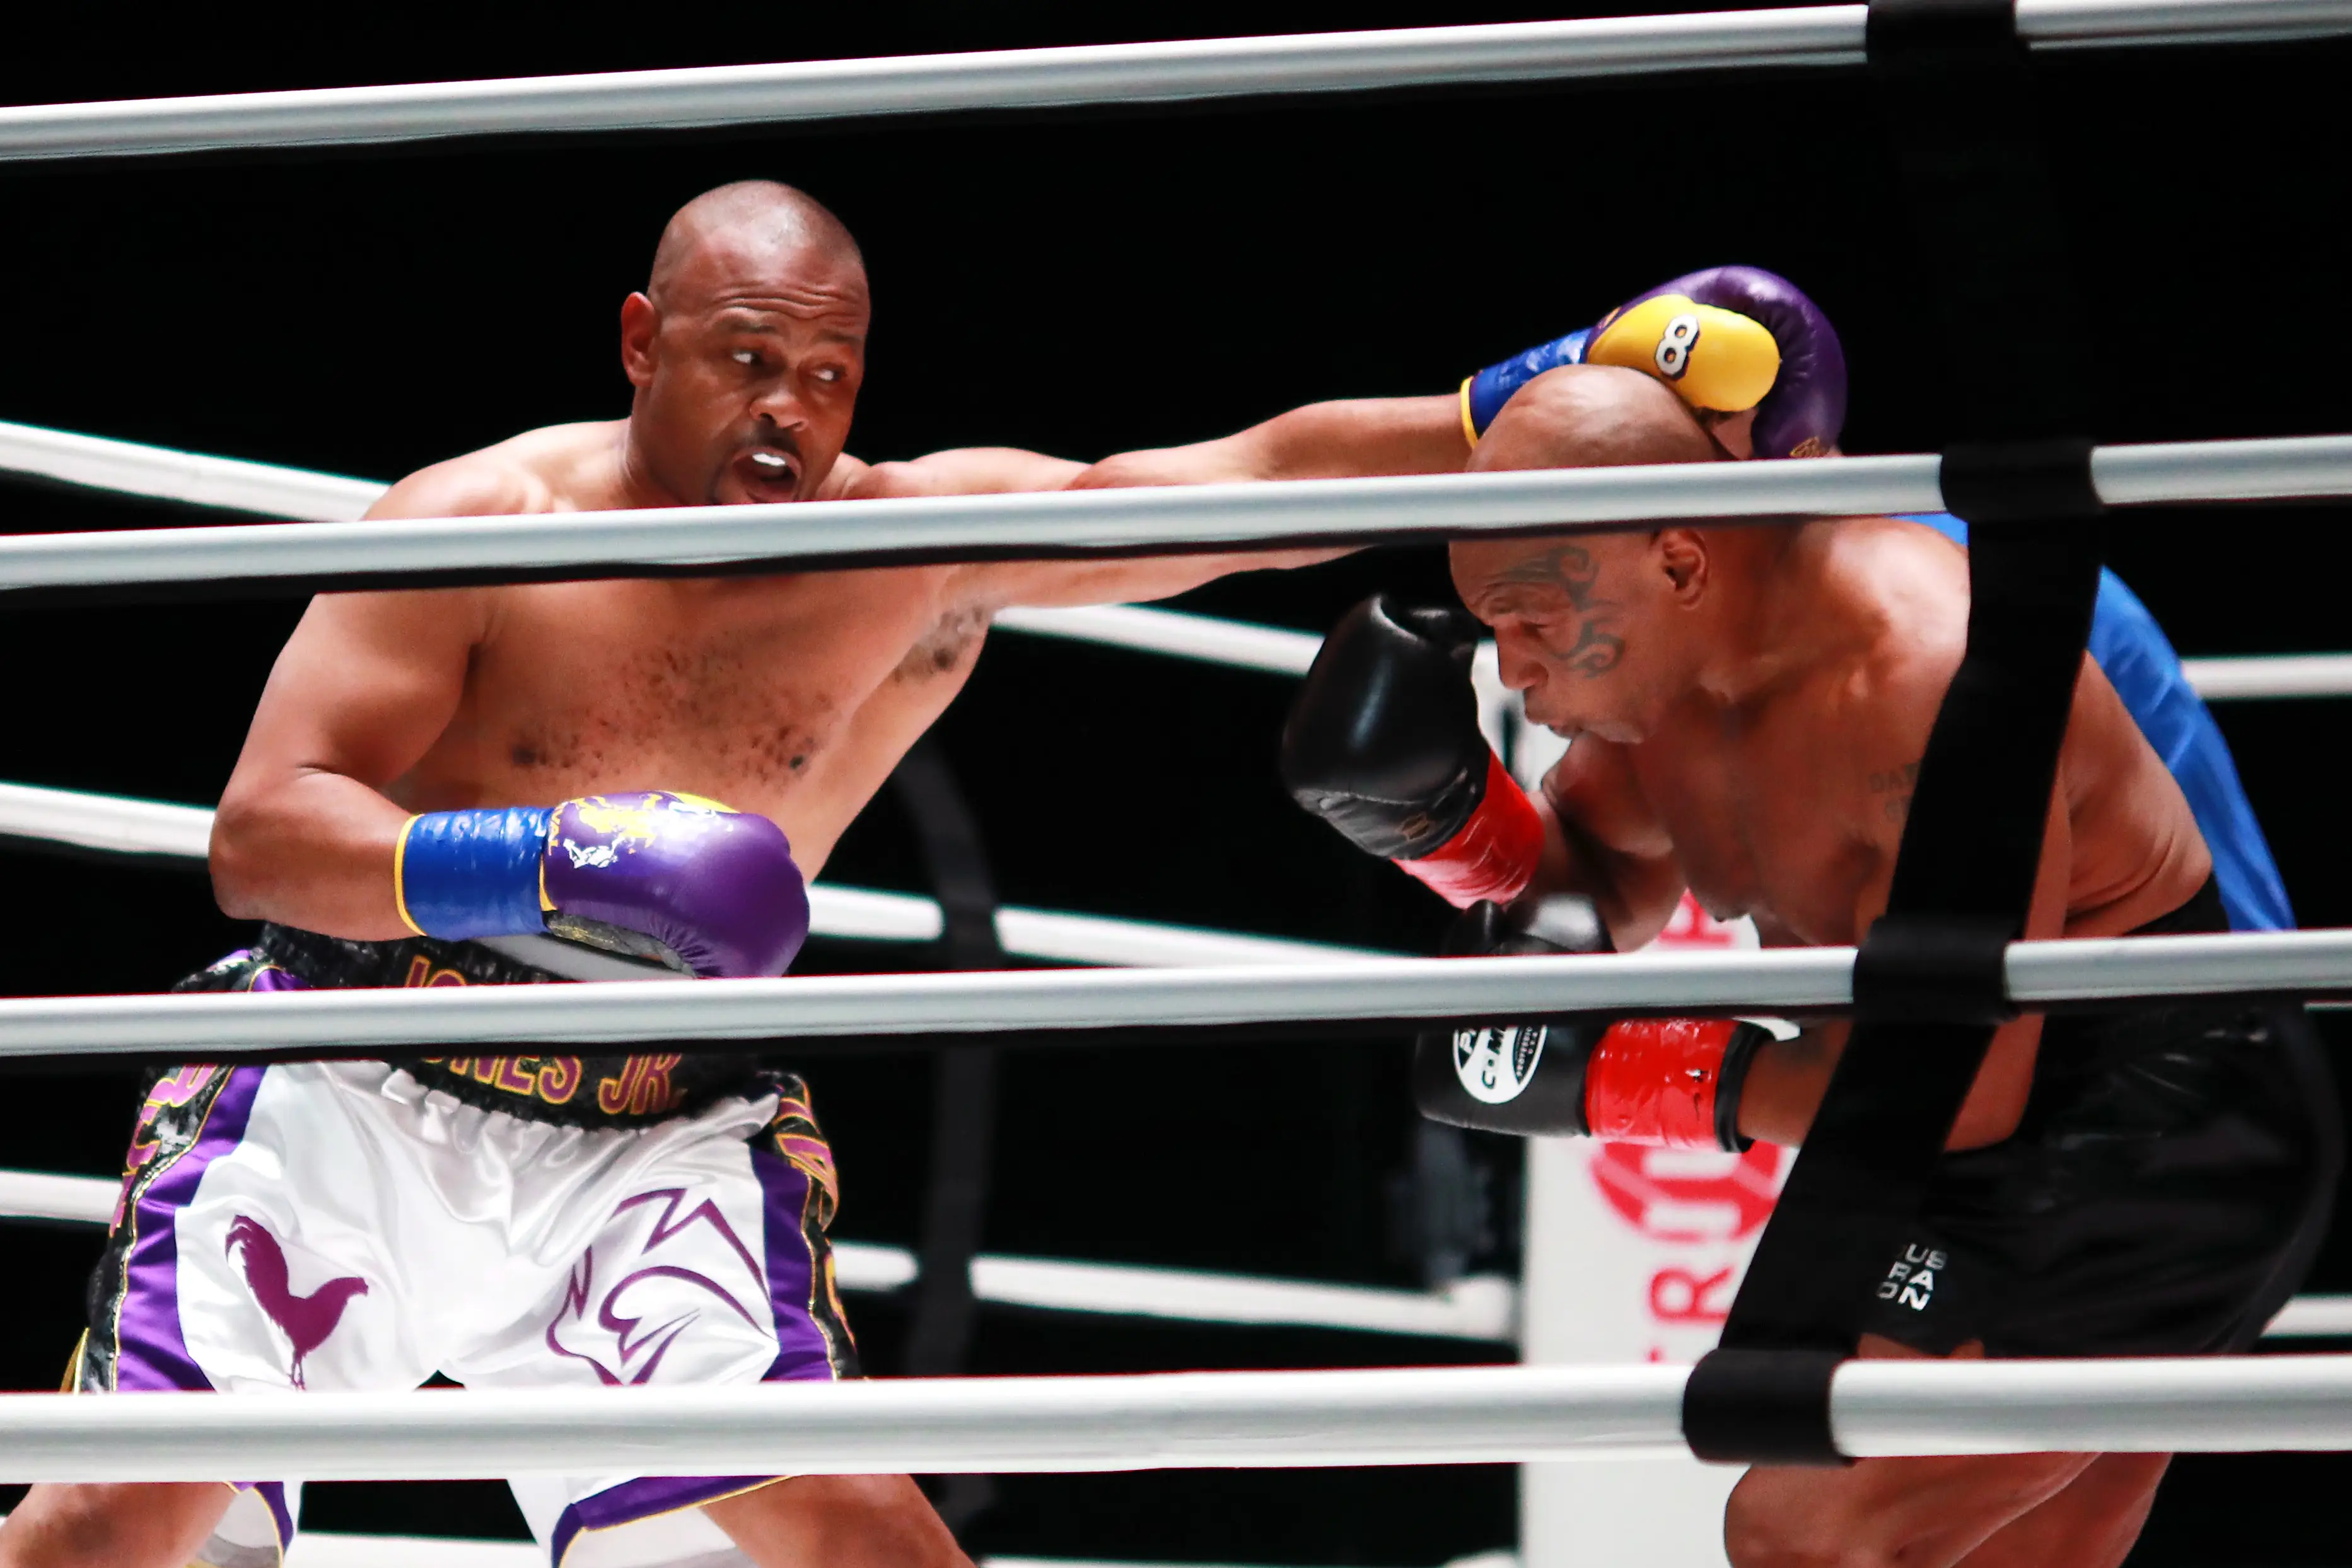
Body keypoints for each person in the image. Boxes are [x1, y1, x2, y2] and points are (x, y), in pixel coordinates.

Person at [0, 179, 1480, 1568]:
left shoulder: (908, 551)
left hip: (655, 1126)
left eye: (828, 375)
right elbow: (259, 838)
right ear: (641, 342)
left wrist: (1520, 411)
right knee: (115, 1512)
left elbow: (1235, 486)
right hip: (353, 1083)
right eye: (746, 358)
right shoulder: (487, 529)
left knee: (859, 1533)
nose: (788, 412)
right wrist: (547, 863)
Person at [1281, 363, 2338, 1567]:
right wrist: (1456, 834)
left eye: (1529, 620)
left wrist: (1632, 1077)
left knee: (1800, 1529)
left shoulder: (1931, 685)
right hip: (1972, 1117)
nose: (1512, 673)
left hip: (2160, 1133)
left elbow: (1942, 1097)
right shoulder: (1661, 673)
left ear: (1679, 561)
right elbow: (1600, 894)